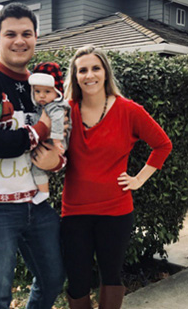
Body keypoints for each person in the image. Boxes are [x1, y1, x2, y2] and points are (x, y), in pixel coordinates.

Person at [0, 2, 65, 309]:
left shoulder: (41, 86)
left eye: (27, 33)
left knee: (53, 279)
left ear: (35, 38)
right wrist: (42, 128)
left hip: (35, 202)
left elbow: (60, 135)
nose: (20, 40)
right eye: (11, 34)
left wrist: (56, 160)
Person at [61, 45, 172, 309]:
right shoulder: (64, 111)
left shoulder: (128, 110)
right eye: (83, 70)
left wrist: (139, 179)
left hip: (115, 210)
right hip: (74, 212)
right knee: (77, 282)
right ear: (75, 76)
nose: (90, 75)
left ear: (106, 73)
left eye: (95, 68)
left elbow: (162, 144)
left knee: (110, 277)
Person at [28, 61, 71, 204]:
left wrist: (58, 142)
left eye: (47, 92)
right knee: (36, 167)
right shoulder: (45, 105)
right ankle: (43, 191)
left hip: (56, 142)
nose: (41, 96)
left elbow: (59, 121)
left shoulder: (55, 106)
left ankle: (44, 191)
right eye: (37, 91)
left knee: (37, 166)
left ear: (57, 92)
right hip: (48, 142)